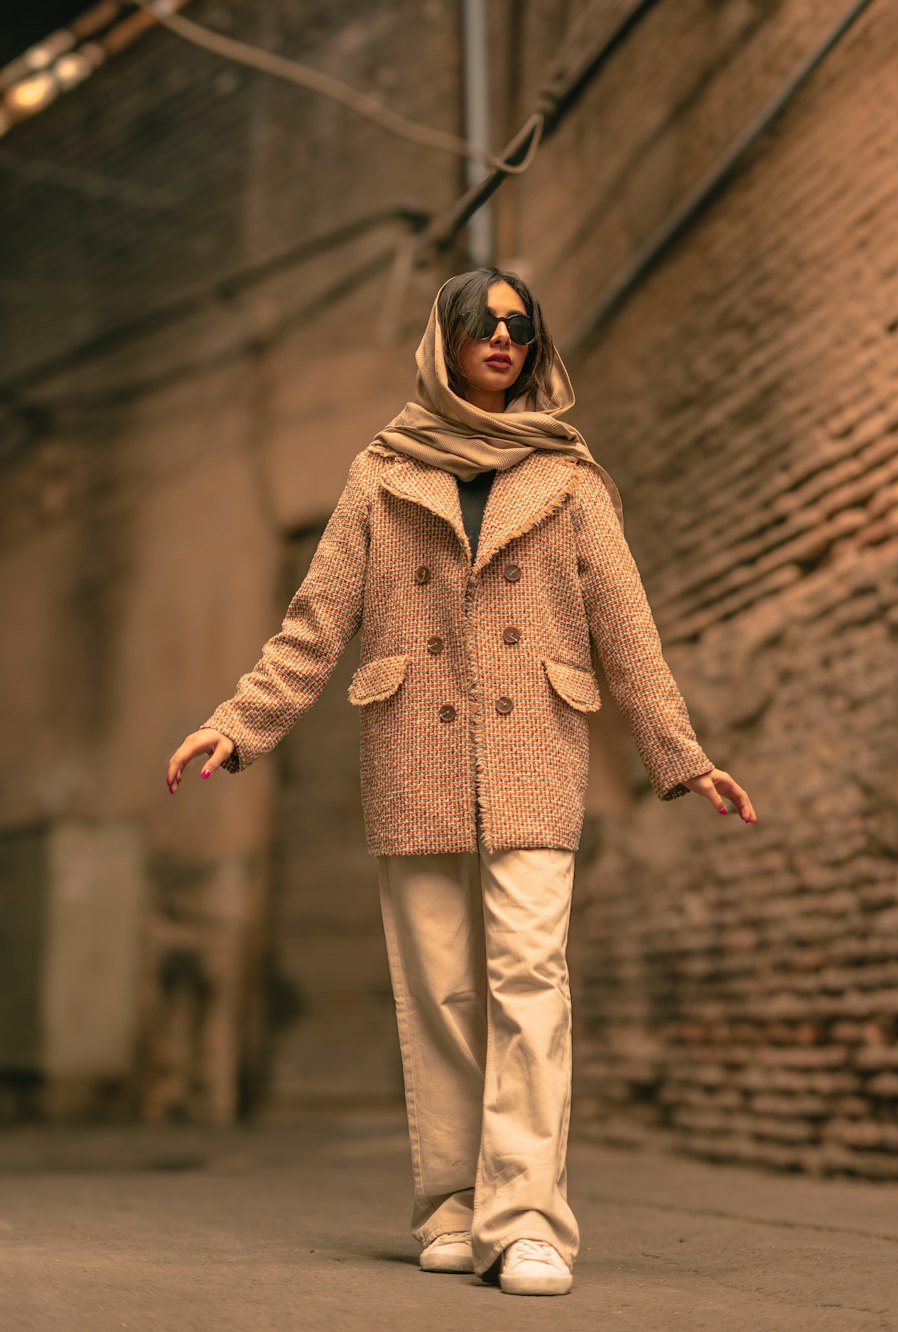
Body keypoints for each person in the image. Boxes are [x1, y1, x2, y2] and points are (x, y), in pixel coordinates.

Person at [166, 267, 757, 1297]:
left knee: (529, 983)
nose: (501, 338)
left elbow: (627, 630)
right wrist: (237, 723)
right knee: (438, 990)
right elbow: (316, 624)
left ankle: (526, 1220)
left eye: (519, 328)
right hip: (414, 752)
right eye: (481, 324)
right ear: (443, 340)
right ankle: (450, 1204)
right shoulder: (378, 472)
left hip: (535, 748)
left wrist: (682, 754)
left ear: (536, 346)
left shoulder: (570, 477)